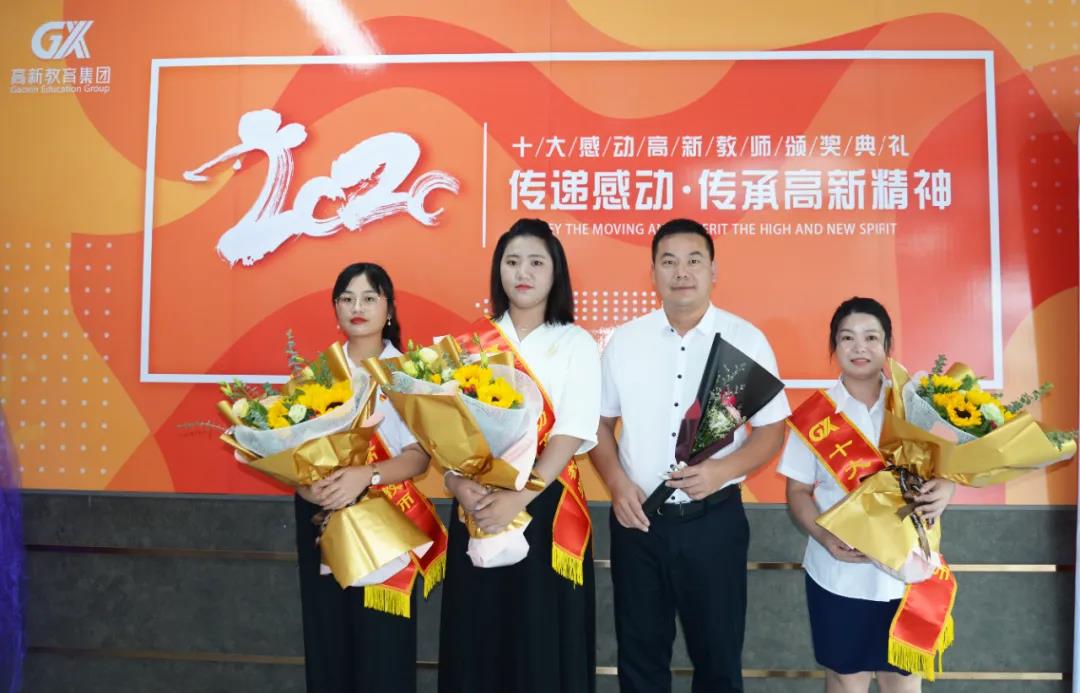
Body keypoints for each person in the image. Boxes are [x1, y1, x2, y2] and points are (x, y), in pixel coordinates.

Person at [591, 217, 790, 693]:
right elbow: (597, 425)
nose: (681, 272)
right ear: (653, 273)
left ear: (713, 271)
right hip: (639, 523)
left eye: (694, 260)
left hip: (714, 523)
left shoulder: (745, 340)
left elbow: (772, 431)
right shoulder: (625, 342)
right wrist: (617, 484)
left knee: (718, 659)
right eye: (669, 262)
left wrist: (723, 470)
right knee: (640, 659)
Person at [438, 218, 601, 693]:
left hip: (543, 503)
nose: (522, 273)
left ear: (555, 272)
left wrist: (519, 497)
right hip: (477, 502)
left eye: (535, 262)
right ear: (499, 271)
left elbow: (571, 430)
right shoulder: (471, 344)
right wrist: (457, 484)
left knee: (539, 641)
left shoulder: (575, 342)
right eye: (512, 262)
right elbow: (444, 429)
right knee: (477, 637)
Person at [778, 296, 955, 693]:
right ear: (834, 347)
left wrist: (948, 487)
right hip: (840, 573)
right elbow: (798, 491)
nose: (860, 347)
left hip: (909, 572)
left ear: (887, 345)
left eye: (871, 337)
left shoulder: (915, 406)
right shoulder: (816, 415)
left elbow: (949, 468)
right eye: (847, 338)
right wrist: (824, 536)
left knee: (903, 680)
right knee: (845, 680)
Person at [294, 262, 433, 693]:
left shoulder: (407, 373)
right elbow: (294, 456)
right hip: (325, 521)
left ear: (389, 308)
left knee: (382, 653)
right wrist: (308, 487)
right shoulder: (317, 374)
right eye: (347, 298)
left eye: (370, 298)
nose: (358, 307)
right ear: (335, 308)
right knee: (330, 647)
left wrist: (365, 475)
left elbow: (419, 458)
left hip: (384, 520)